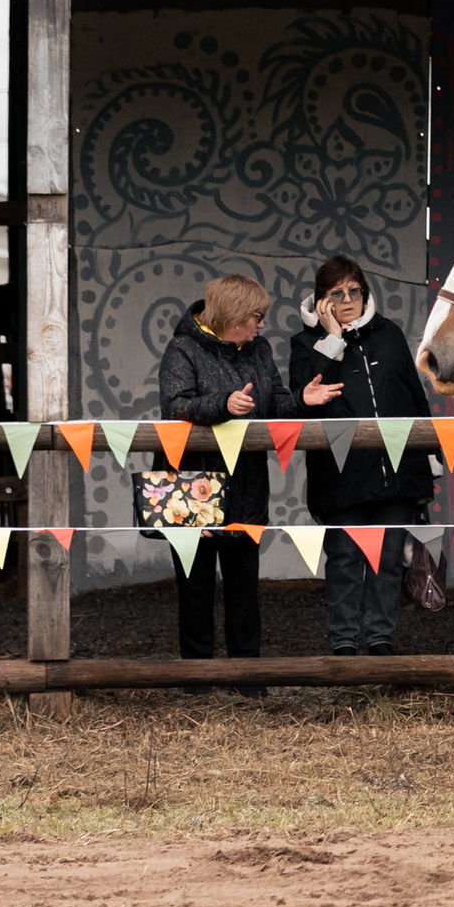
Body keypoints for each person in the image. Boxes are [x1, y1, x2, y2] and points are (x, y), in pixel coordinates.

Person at [159, 275, 338, 668]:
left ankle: (247, 674)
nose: (261, 324)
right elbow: (175, 406)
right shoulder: (182, 349)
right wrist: (224, 403)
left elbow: (273, 404)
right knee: (195, 587)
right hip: (193, 486)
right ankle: (197, 675)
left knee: (244, 588)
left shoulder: (259, 350)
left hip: (247, 485)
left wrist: (302, 401)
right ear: (234, 315)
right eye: (256, 316)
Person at [291, 256, 435, 657]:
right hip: (339, 473)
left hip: (396, 468)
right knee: (345, 557)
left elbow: (413, 394)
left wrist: (430, 455)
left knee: (388, 557)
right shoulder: (303, 344)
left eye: (355, 290)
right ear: (321, 302)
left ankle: (379, 637)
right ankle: (342, 641)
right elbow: (305, 398)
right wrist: (333, 338)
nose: (348, 299)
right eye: (337, 293)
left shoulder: (388, 333)